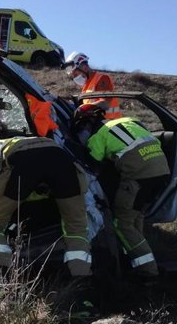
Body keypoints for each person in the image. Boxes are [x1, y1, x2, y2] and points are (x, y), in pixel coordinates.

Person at [0, 136, 92, 277]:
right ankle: (80, 275)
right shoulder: (14, 140)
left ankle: (3, 272)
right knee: (76, 229)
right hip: (61, 160)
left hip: (23, 162)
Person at [71, 103, 170, 277]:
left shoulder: (98, 137)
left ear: (86, 124)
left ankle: (148, 271)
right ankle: (134, 258)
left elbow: (92, 165)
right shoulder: (129, 120)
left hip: (138, 177)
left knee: (122, 224)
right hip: (162, 172)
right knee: (136, 216)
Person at [62, 52, 122, 119]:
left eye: (75, 74)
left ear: (84, 67)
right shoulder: (86, 87)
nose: (75, 78)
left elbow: (105, 103)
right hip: (98, 124)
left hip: (110, 123)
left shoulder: (102, 78)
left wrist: (83, 109)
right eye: (73, 76)